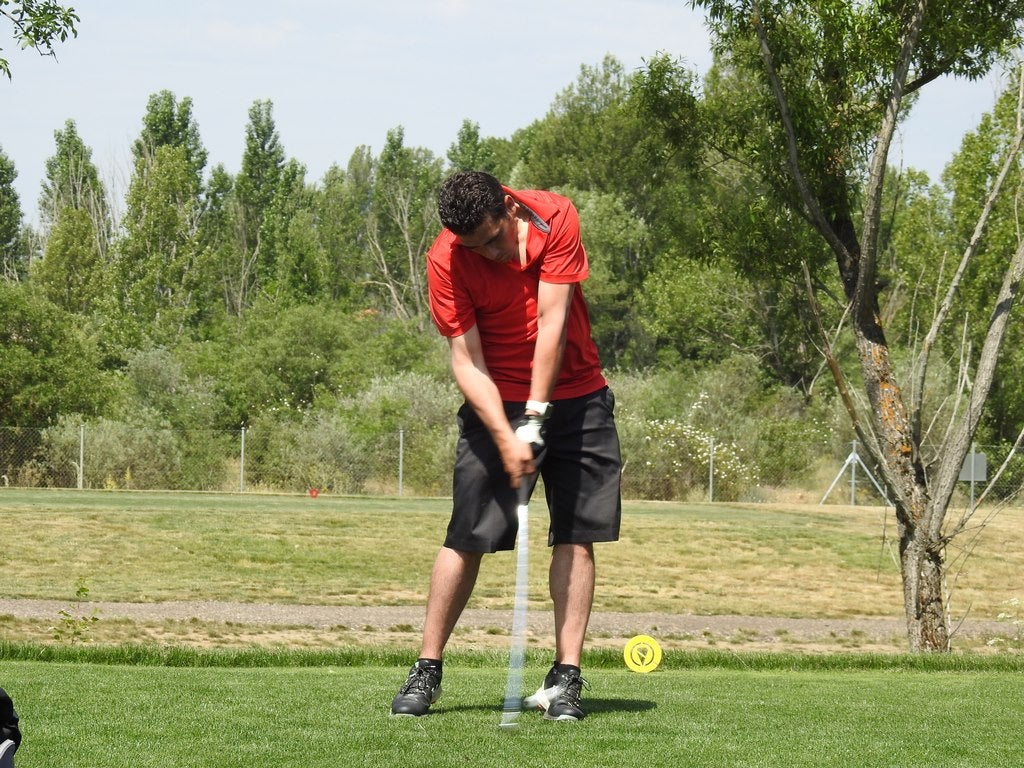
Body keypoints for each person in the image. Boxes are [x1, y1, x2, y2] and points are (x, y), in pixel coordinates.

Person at [390, 171, 621, 721]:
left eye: (492, 240)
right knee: (466, 535)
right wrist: (504, 430)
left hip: (579, 396)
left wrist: (537, 417)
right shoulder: (447, 258)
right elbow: (465, 360)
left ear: (508, 211)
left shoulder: (555, 215)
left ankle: (566, 678)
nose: (487, 254)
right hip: (496, 399)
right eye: (475, 247)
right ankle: (427, 668)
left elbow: (552, 321)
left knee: (577, 535)